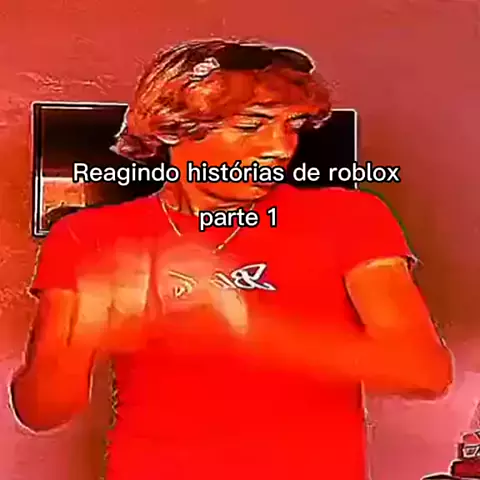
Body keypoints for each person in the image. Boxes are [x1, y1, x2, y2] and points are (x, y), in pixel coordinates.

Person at [10, 39, 453, 480]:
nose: (280, 148)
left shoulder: (349, 217)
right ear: (173, 128)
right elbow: (41, 413)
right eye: (252, 125)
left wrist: (246, 327)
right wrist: (85, 333)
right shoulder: (87, 236)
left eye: (292, 126)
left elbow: (424, 373)